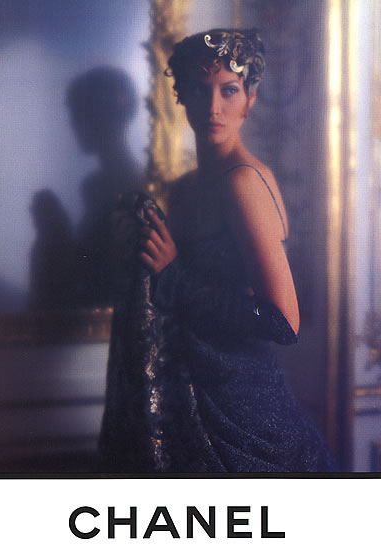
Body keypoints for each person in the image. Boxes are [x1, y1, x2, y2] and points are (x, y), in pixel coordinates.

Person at [99, 29, 336, 472]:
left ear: (250, 98)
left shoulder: (242, 182)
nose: (213, 107)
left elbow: (284, 322)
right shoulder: (184, 189)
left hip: (244, 406)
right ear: (181, 98)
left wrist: (174, 277)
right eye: (199, 89)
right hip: (190, 395)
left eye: (228, 90)